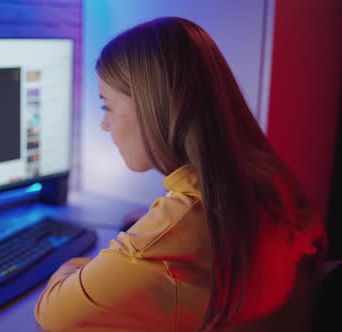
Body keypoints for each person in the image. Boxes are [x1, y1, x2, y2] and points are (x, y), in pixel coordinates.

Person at [35, 17, 326, 332]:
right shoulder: (266, 178)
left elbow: (54, 313)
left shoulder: (173, 235)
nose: (104, 125)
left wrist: (75, 265)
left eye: (107, 106)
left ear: (152, 107)